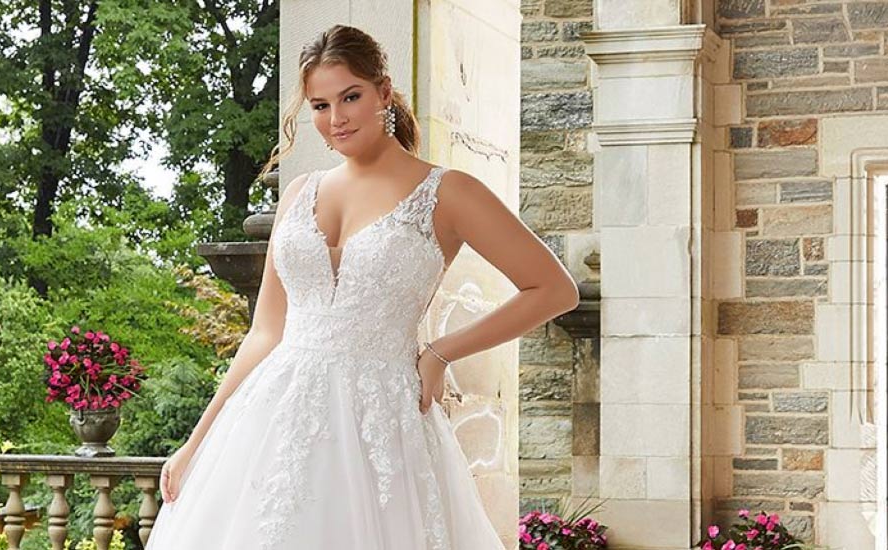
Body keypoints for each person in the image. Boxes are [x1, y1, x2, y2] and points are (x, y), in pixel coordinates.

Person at [144, 24, 579, 549]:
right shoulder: (300, 192)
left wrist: (440, 352)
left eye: (350, 97)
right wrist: (197, 441)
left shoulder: (449, 192)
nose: (336, 118)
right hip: (274, 420)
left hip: (382, 423)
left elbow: (554, 289)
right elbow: (265, 333)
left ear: (384, 92)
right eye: (320, 105)